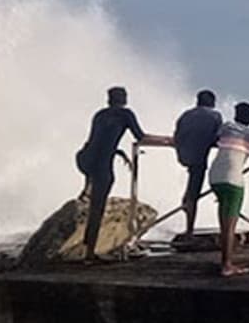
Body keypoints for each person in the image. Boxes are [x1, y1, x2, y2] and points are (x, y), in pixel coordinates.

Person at [75, 87, 168, 263]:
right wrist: (167, 139)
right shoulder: (125, 114)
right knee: (97, 208)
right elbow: (141, 137)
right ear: (123, 99)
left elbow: (98, 141)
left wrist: (119, 152)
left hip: (84, 159)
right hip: (102, 166)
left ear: (108, 99)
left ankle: (87, 186)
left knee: (95, 204)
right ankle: (89, 255)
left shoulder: (100, 115)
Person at [207, 102, 249, 276]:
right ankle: (227, 265)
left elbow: (216, 139)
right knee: (230, 226)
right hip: (233, 181)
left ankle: (227, 259)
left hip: (215, 177)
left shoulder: (226, 127)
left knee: (223, 223)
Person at [173, 89, 223, 236]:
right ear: (212, 103)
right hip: (199, 158)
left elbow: (177, 135)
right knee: (194, 194)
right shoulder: (215, 115)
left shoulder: (186, 115)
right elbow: (218, 136)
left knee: (192, 189)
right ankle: (189, 229)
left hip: (184, 155)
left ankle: (187, 202)